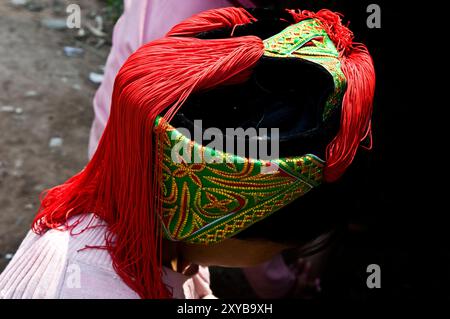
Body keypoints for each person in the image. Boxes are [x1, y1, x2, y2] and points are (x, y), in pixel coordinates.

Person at [0, 7, 374, 299]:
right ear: (224, 218)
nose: (290, 251)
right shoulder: (88, 286)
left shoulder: (168, 242)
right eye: (287, 246)